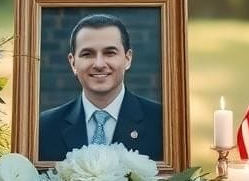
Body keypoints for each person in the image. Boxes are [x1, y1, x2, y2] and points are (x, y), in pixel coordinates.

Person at [39, 13, 163, 160]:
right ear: (73, 63)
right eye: (87, 54)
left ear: (128, 58)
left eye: (109, 53)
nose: (99, 64)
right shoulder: (46, 126)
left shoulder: (161, 121)